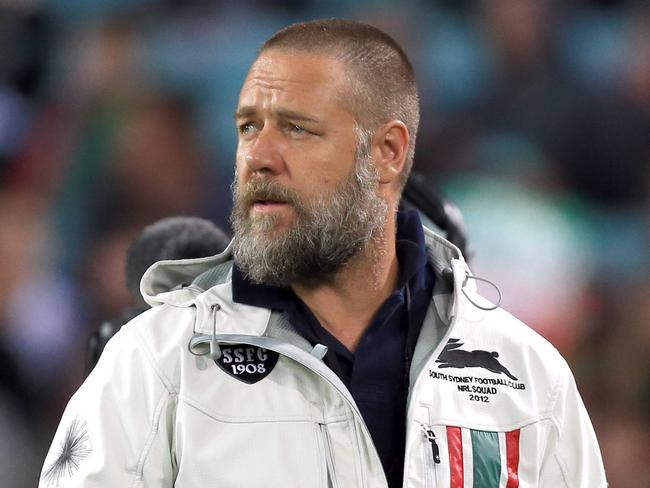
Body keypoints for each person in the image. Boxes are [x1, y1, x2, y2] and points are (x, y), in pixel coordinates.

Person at [39, 19, 607, 488]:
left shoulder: (528, 377)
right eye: (247, 127)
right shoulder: (156, 363)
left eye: (297, 129)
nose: (257, 156)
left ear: (387, 152)